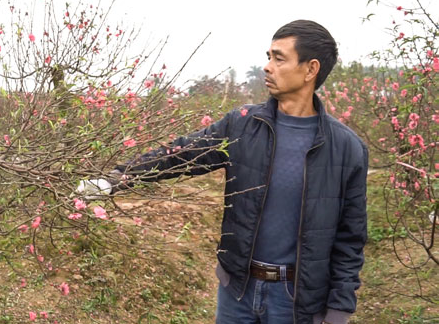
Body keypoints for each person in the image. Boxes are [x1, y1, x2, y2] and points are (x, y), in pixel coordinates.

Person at [77, 20, 368, 324]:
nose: (267, 67)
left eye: (279, 58)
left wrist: (338, 311)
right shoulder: (243, 125)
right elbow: (182, 155)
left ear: (311, 69)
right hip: (237, 291)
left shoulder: (346, 148)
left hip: (298, 300)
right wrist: (116, 179)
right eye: (268, 56)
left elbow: (350, 238)